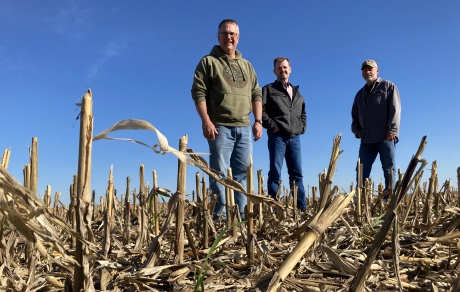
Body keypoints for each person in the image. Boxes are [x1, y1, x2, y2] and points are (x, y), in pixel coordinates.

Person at [191, 19, 262, 219]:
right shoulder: (208, 62)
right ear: (218, 36)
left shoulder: (247, 65)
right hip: (219, 127)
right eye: (224, 33)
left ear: (238, 38)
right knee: (219, 174)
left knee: (243, 173)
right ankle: (219, 217)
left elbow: (257, 93)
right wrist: (206, 121)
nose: (228, 37)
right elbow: (199, 92)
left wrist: (258, 121)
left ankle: (240, 216)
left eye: (232, 34)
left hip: (245, 127)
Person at [261, 57, 307, 212]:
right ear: (275, 71)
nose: (283, 70)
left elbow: (303, 112)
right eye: (279, 68)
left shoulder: (297, 92)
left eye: (285, 67)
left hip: (295, 137)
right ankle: (274, 210)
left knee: (297, 174)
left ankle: (301, 209)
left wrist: (302, 127)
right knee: (275, 172)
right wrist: (273, 126)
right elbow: (261, 110)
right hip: (277, 137)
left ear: (290, 69)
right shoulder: (268, 89)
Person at [351, 59, 401, 194]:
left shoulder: (388, 87)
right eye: (365, 70)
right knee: (361, 170)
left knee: (389, 168)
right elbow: (354, 117)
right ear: (362, 73)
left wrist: (392, 130)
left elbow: (395, 110)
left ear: (377, 71)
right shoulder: (359, 95)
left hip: (386, 137)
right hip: (366, 140)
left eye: (370, 69)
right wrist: (357, 132)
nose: (368, 72)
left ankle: (389, 198)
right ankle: (361, 199)